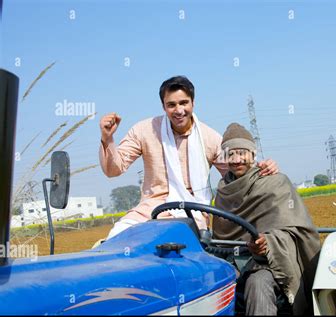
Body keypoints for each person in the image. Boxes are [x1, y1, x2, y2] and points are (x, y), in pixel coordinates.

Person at [98, 76, 278, 240]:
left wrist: (264, 169)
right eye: (171, 105)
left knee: (180, 252)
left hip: (194, 214)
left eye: (184, 103)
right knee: (113, 241)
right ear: (163, 107)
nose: (179, 110)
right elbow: (114, 170)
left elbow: (239, 172)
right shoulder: (144, 131)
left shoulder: (210, 138)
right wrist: (107, 139)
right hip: (149, 211)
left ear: (193, 103)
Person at [212, 123, 321, 316]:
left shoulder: (275, 182)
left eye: (242, 153)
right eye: (230, 154)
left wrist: (267, 243)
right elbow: (221, 240)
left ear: (253, 155)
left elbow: (297, 231)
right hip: (232, 260)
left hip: (267, 262)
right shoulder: (222, 192)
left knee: (258, 283)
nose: (236, 159)